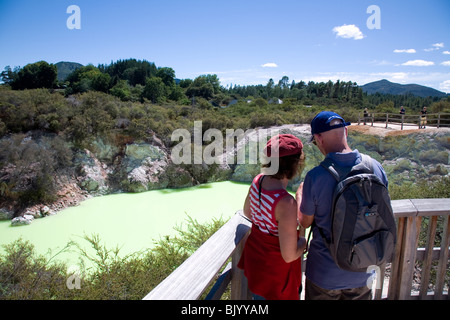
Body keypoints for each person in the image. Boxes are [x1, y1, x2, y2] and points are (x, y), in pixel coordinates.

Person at [296, 111, 389, 300]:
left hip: (325, 273)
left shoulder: (315, 177)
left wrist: (299, 196)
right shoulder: (375, 167)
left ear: (318, 138)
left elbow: (305, 222)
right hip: (364, 269)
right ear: (346, 131)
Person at [238, 134, 307, 300]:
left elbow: (248, 213)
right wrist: (304, 240)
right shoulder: (286, 203)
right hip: (277, 277)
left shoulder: (257, 181)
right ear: (294, 164)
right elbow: (289, 255)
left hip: (257, 264)